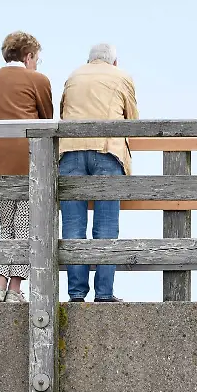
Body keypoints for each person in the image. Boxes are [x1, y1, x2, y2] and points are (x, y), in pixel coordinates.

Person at [57, 43, 139, 302]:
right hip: (107, 151)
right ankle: (104, 293)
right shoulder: (122, 76)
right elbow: (134, 122)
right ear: (114, 62)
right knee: (106, 226)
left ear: (89, 61)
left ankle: (76, 294)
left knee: (72, 226)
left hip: (70, 152)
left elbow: (62, 114)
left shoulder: (73, 76)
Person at [0, 30, 54, 303]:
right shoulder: (37, 79)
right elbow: (47, 121)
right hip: (27, 163)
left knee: (5, 227)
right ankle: (14, 290)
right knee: (24, 229)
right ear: (29, 55)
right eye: (37, 57)